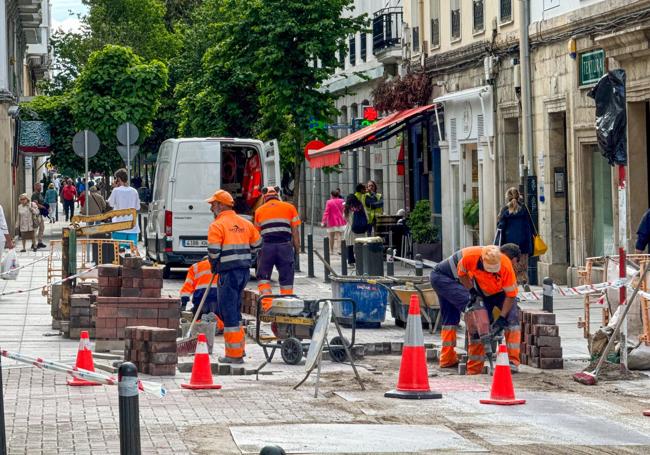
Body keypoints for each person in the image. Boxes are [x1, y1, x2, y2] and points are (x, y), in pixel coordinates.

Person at [429, 244, 521, 374]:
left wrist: (501, 317)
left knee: (451, 317)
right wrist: (472, 292)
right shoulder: (471, 258)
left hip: (470, 285)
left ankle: (448, 359)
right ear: (482, 261)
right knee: (476, 313)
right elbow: (462, 274)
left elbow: (511, 296)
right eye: (488, 270)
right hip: (444, 278)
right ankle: (474, 367)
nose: (491, 273)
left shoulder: (505, 266)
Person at [206, 189, 261, 364]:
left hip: (228, 273)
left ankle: (234, 354)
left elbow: (214, 251)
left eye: (213, 204)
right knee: (235, 310)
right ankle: (240, 349)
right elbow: (258, 244)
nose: (211, 208)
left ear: (221, 205)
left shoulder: (217, 225)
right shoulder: (245, 223)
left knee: (228, 311)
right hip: (243, 272)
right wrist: (248, 259)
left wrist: (215, 266)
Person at [253, 187, 301, 311]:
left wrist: (256, 251)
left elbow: (256, 235)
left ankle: (267, 305)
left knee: (263, 277)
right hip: (285, 247)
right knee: (286, 278)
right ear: (278, 195)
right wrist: (297, 250)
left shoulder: (259, 211)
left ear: (264, 197)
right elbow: (295, 232)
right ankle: (286, 305)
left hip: (267, 247)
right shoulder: (290, 208)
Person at [496, 187, 534, 286]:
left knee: (511, 267)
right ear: (518, 196)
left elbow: (500, 227)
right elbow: (530, 225)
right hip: (524, 244)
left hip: (509, 246)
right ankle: (524, 282)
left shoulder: (505, 210)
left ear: (507, 197)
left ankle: (514, 287)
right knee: (523, 266)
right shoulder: (524, 208)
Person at [179, 258, 225, 333]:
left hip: (201, 301)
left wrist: (184, 303)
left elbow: (187, 286)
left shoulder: (195, 267)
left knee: (198, 318)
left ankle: (200, 324)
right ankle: (216, 324)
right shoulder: (224, 265)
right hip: (219, 299)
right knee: (222, 320)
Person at [107, 168, 140, 250]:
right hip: (132, 227)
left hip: (119, 226)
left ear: (118, 179)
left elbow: (110, 203)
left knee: (119, 252)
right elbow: (137, 207)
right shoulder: (134, 191)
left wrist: (114, 188)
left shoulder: (115, 190)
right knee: (132, 251)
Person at [343, 183, 368, 265]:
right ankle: (359, 260)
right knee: (359, 244)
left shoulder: (347, 207)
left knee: (350, 245)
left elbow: (344, 217)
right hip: (359, 228)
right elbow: (366, 216)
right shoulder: (360, 205)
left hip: (350, 228)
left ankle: (350, 261)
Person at [321, 190, 346, 255]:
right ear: (338, 195)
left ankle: (331, 251)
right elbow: (344, 210)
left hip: (331, 221)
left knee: (331, 236)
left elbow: (326, 212)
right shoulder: (342, 201)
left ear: (331, 195)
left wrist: (323, 221)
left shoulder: (329, 202)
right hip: (340, 221)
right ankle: (339, 249)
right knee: (339, 235)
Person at [31, 183, 47, 249]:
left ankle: (39, 242)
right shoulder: (34, 195)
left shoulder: (40, 194)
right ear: (35, 187)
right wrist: (43, 207)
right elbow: (35, 204)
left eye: (40, 186)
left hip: (40, 214)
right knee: (35, 229)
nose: (40, 187)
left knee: (42, 227)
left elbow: (41, 202)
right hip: (36, 214)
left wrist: (45, 207)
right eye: (39, 186)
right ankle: (33, 243)